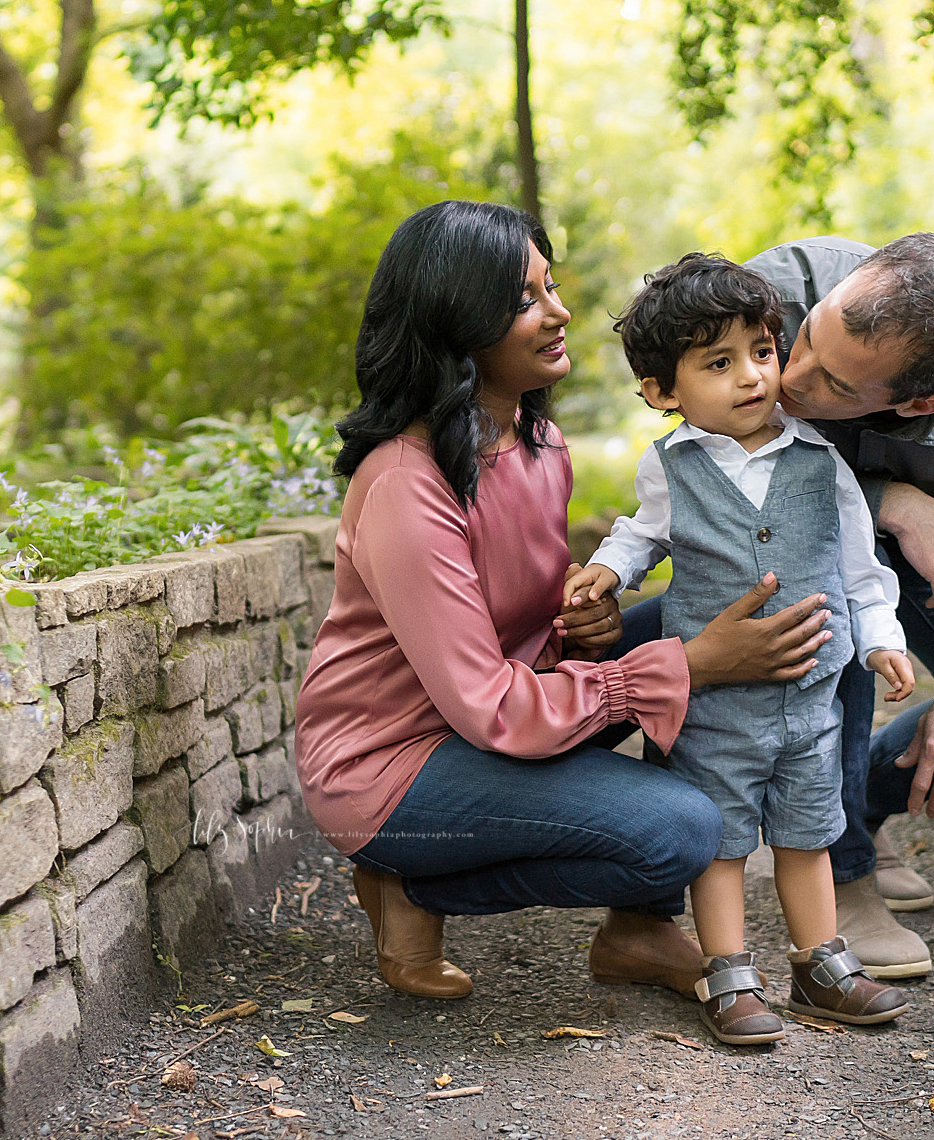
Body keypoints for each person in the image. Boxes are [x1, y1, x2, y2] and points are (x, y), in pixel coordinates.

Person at [292, 201, 841, 1004]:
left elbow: (523, 624)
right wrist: (689, 665)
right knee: (683, 826)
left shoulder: (539, 446)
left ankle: (635, 931)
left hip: (494, 710)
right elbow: (490, 705)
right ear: (457, 322)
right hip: (395, 763)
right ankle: (411, 879)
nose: (560, 313)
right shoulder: (405, 486)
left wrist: (584, 622)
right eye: (524, 300)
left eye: (550, 287)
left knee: (738, 627)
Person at [615, 234, 934, 976]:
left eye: (832, 383)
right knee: (794, 612)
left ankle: (844, 803)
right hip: (787, 539)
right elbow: (710, 446)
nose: (787, 379)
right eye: (798, 344)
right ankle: (845, 870)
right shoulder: (776, 288)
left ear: (921, 404)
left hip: (920, 532)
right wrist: (891, 501)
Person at [568, 255, 916, 1043]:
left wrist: (882, 644)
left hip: (809, 702)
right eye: (717, 364)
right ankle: (727, 971)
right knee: (721, 841)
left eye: (762, 352)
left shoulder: (821, 461)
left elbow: (861, 570)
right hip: (712, 707)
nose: (752, 377)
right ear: (664, 392)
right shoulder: (670, 465)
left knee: (807, 830)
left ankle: (821, 962)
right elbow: (642, 533)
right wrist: (609, 570)